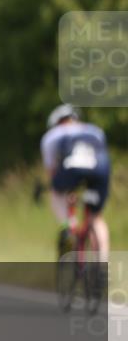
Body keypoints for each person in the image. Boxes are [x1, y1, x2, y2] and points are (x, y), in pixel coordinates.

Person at [41, 104, 111, 279]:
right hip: (101, 169)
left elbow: (53, 173)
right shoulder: (95, 130)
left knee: (56, 192)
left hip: (73, 167)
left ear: (56, 123)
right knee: (97, 217)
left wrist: (65, 192)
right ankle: (102, 267)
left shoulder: (51, 136)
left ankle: (67, 227)